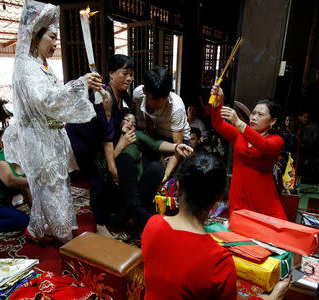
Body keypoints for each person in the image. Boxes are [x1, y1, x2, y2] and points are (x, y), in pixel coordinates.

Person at [2, 0, 105, 243]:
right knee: (50, 189)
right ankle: (64, 238)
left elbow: (55, 101)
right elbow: (47, 100)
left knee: (53, 188)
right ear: (36, 37)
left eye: (57, 38)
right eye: (52, 37)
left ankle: (40, 229)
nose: (55, 43)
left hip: (50, 136)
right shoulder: (28, 68)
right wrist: (80, 83)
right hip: (39, 139)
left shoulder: (42, 66)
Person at [141, 152, 290, 299]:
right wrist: (274, 296)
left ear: (178, 187)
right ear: (217, 200)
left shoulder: (153, 225)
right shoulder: (219, 261)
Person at [66, 54, 135, 237]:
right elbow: (106, 136)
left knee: (108, 175)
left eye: (131, 74)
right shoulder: (104, 95)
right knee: (98, 179)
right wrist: (112, 166)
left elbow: (115, 123)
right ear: (111, 74)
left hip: (96, 139)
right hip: (80, 138)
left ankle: (114, 212)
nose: (129, 78)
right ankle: (100, 225)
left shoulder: (122, 96)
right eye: (125, 73)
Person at [211, 85, 287, 220]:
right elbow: (218, 124)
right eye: (253, 113)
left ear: (273, 121)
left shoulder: (276, 140)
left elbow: (262, 145)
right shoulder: (239, 135)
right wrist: (218, 104)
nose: (254, 117)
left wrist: (239, 123)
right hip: (239, 196)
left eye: (261, 114)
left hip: (263, 199)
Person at [112, 113, 193, 229]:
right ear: (119, 121)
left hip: (137, 189)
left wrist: (176, 147)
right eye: (127, 120)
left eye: (133, 124)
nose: (130, 124)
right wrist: (120, 146)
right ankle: (136, 213)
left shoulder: (136, 135)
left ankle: (133, 213)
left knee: (156, 167)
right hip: (117, 187)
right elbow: (105, 166)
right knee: (125, 160)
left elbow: (156, 144)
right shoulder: (110, 137)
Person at [133, 66, 191, 183]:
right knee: (147, 171)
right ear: (145, 91)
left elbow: (178, 146)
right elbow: (148, 118)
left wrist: (166, 174)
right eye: (155, 98)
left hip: (179, 141)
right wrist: (154, 147)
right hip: (157, 134)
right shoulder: (138, 94)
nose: (160, 103)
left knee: (174, 179)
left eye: (164, 98)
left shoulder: (176, 107)